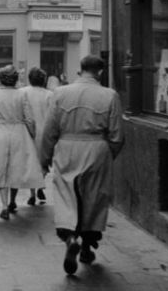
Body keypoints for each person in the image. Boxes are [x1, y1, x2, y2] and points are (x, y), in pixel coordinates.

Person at [40, 55, 124, 275]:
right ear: (101, 72)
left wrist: (45, 159)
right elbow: (117, 135)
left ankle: (69, 237)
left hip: (67, 148)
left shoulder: (61, 93)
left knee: (67, 195)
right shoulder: (110, 96)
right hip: (97, 148)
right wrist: (107, 154)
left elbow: (49, 131)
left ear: (80, 70)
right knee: (93, 198)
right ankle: (86, 246)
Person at [0, 64, 44, 221]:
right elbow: (29, 118)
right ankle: (12, 201)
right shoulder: (21, 95)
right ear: (15, 79)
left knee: (1, 168)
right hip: (19, 133)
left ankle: (3, 206)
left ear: (1, 79)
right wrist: (32, 134)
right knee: (15, 168)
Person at [20, 66, 54, 206]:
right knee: (43, 163)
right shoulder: (50, 95)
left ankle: (33, 193)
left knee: (29, 164)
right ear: (44, 80)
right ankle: (40, 185)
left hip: (27, 132)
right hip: (44, 133)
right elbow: (53, 116)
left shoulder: (22, 92)